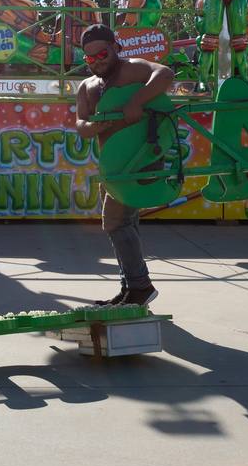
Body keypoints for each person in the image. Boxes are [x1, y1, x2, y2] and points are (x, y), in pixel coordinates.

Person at [74, 24, 174, 306]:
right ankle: (129, 289)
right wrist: (92, 127)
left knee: (114, 222)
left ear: (116, 47)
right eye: (90, 57)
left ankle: (140, 286)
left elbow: (164, 73)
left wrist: (137, 100)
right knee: (125, 224)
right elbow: (80, 124)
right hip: (112, 166)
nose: (97, 61)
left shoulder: (131, 69)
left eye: (102, 53)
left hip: (140, 159)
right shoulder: (87, 87)